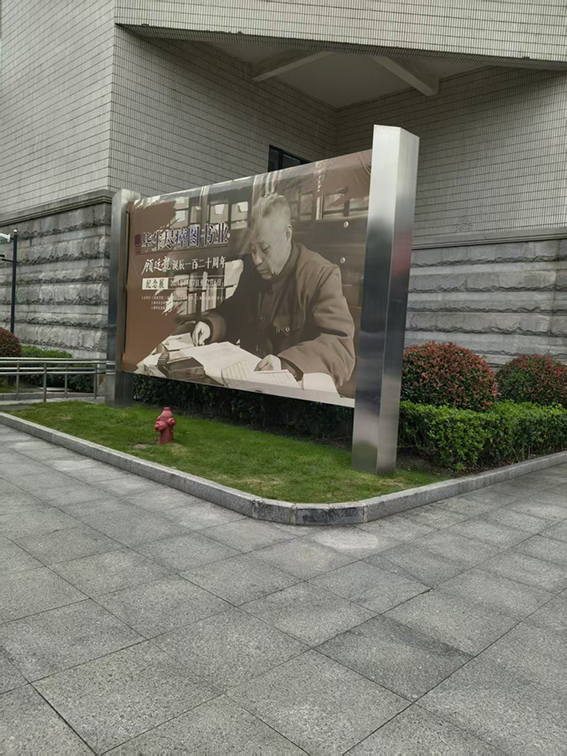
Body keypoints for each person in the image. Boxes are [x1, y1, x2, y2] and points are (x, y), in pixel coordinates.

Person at [190, 193, 355, 389]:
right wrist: (211, 325)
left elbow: (339, 348)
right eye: (253, 249)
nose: (257, 260)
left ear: (287, 234)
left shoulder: (320, 275)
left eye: (265, 249)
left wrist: (285, 365)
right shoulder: (252, 271)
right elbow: (235, 311)